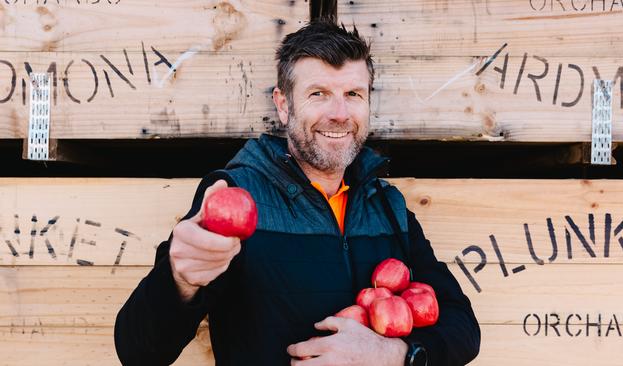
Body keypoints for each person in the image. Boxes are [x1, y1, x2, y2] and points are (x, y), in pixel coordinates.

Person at [114, 19, 480, 366]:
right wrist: (180, 280)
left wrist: (394, 354)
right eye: (318, 93)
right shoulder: (235, 193)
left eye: (353, 93)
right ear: (284, 105)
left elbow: (463, 327)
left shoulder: (386, 206)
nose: (339, 113)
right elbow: (140, 351)